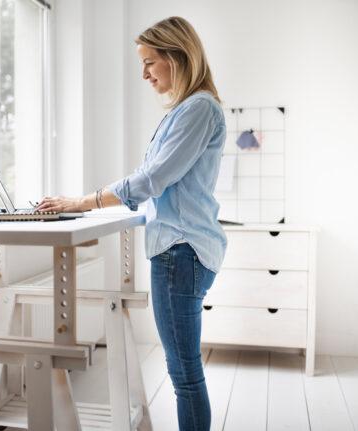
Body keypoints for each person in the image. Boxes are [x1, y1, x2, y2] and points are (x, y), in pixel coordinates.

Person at [36, 16, 226, 430]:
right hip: (182, 249)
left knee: (184, 376)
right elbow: (162, 185)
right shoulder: (190, 110)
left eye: (150, 62)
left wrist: (85, 201)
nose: (143, 74)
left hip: (181, 251)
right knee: (184, 372)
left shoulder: (198, 108)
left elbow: (153, 178)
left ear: (178, 57)